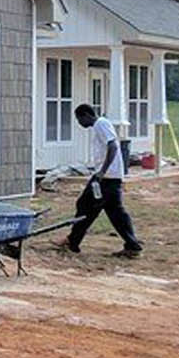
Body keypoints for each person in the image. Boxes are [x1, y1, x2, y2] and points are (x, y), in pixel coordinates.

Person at [60, 103, 143, 259]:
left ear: (86, 115)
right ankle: (132, 245)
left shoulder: (101, 124)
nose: (79, 123)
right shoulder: (101, 125)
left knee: (85, 206)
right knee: (112, 212)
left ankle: (72, 242)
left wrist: (103, 171)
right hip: (108, 177)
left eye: (79, 119)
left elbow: (113, 146)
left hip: (106, 178)